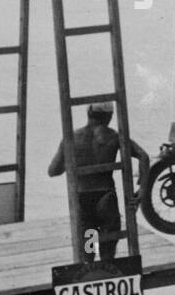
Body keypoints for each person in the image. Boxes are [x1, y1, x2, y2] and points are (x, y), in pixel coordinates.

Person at [48, 101, 149, 262]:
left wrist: (73, 161)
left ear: (88, 112)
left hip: (82, 199)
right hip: (106, 199)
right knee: (108, 251)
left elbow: (53, 171)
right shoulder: (115, 137)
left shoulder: (72, 138)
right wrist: (142, 190)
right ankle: (108, 270)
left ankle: (89, 271)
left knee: (88, 248)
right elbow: (143, 156)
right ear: (109, 116)